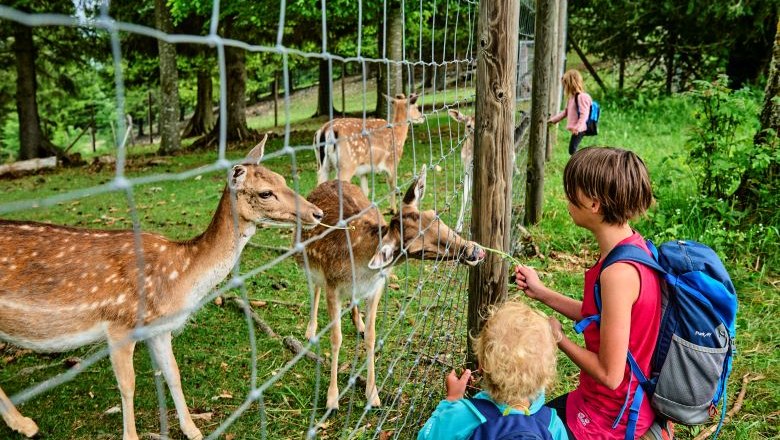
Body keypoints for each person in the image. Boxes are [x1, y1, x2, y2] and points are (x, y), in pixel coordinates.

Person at [515, 147, 663, 439]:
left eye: (572, 193)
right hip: (593, 402)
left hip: (611, 419)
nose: (567, 199)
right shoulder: (629, 247)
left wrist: (558, 337)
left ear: (594, 204)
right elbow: (598, 313)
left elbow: (610, 375)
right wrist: (542, 293)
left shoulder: (618, 274)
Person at [417, 300, 568, 440]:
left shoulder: (462, 415)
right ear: (546, 373)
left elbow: (426, 436)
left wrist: (451, 400)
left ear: (482, 365)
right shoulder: (552, 425)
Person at [549, 70, 593, 155]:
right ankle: (580, 164)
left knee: (572, 150)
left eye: (565, 84)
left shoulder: (581, 97)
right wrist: (553, 120)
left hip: (580, 128)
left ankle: (581, 164)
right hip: (577, 128)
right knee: (573, 149)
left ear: (571, 84)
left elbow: (584, 114)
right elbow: (565, 112)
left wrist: (577, 127)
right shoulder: (572, 98)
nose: (564, 87)